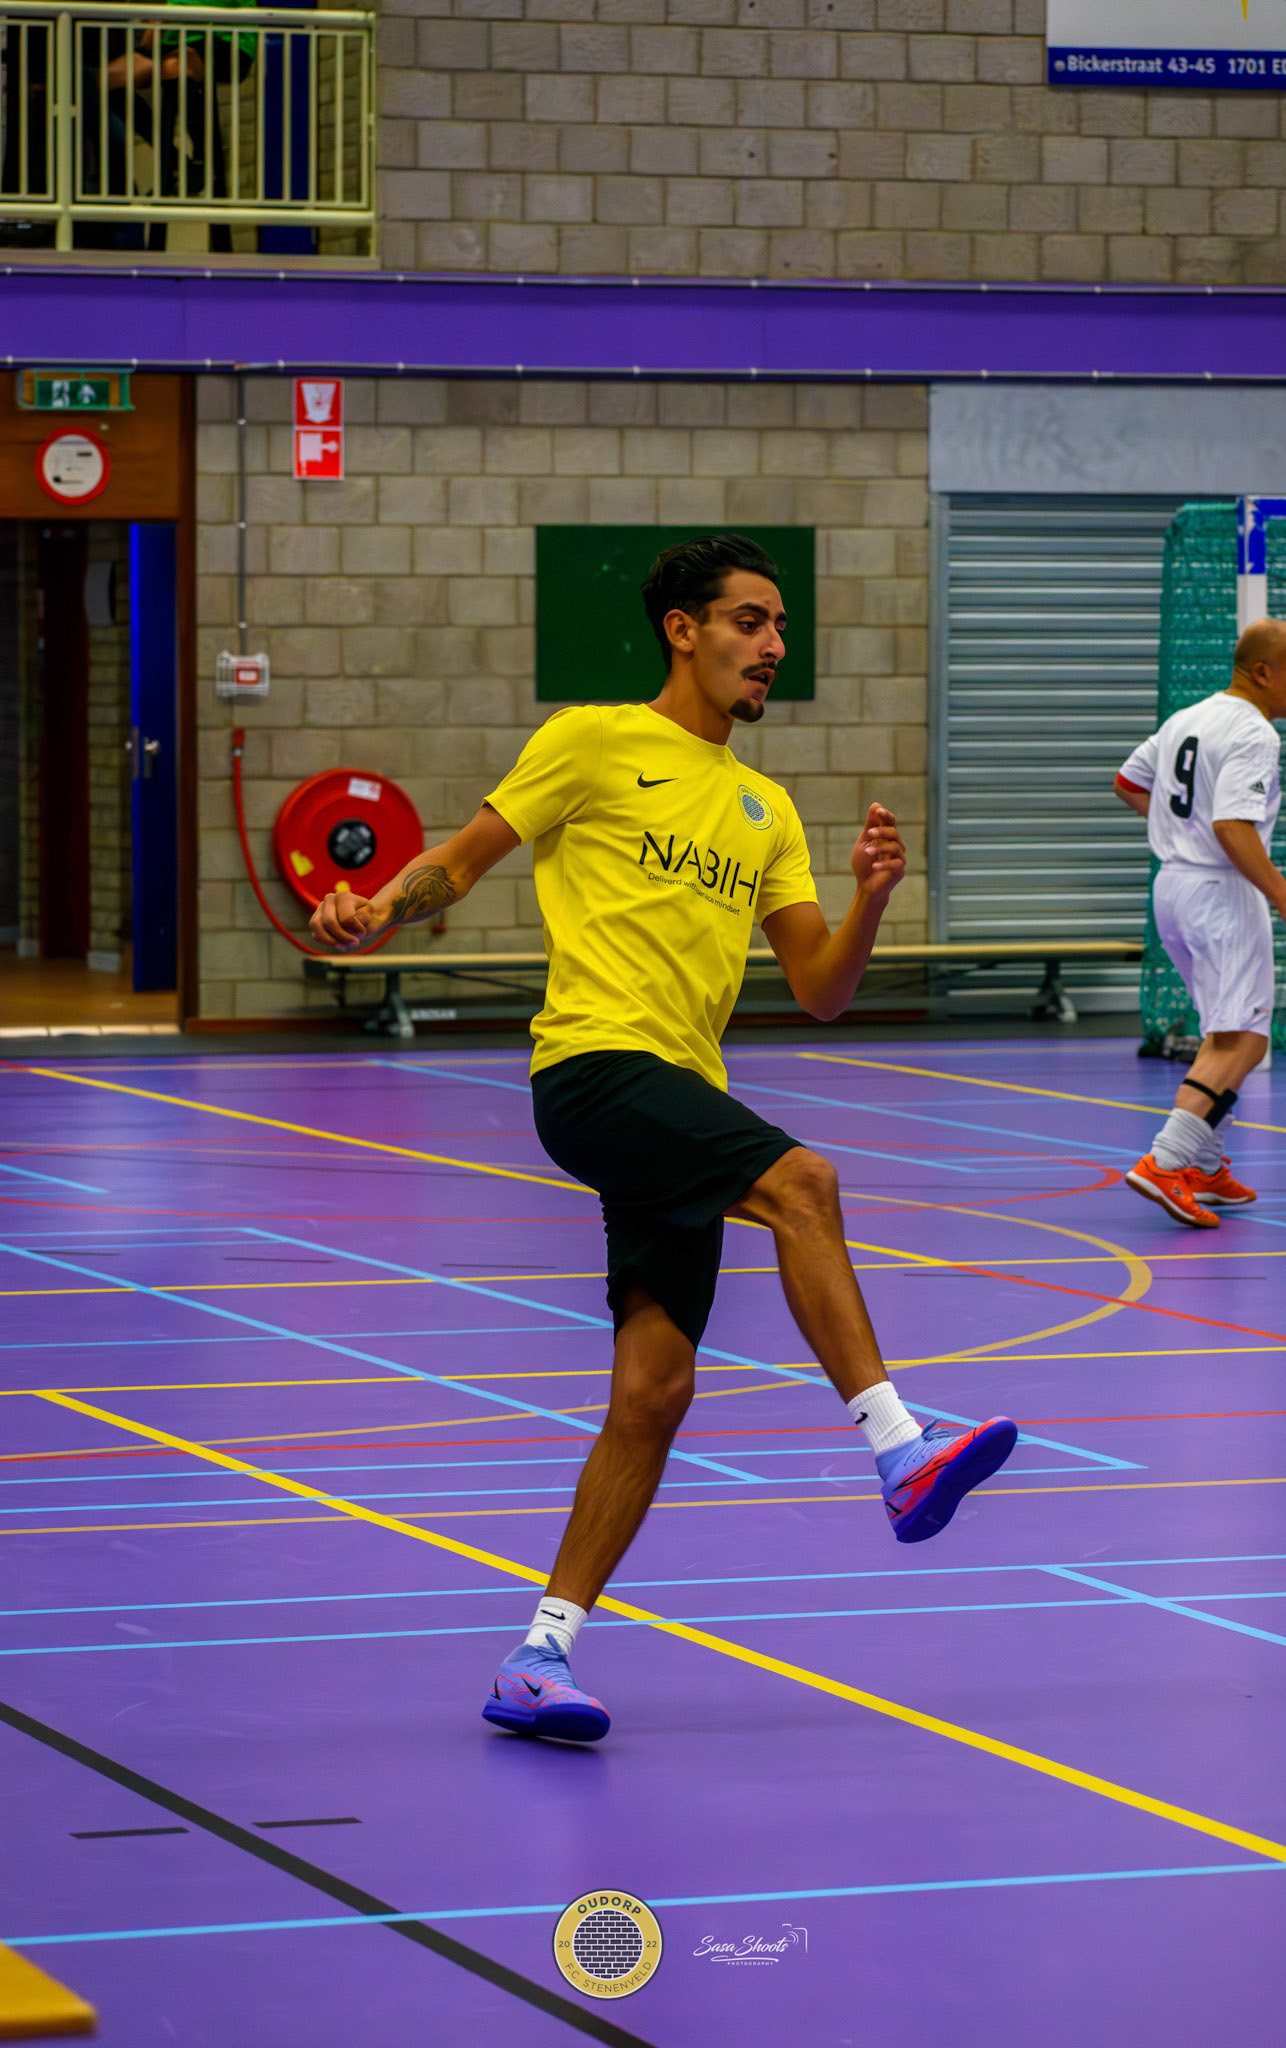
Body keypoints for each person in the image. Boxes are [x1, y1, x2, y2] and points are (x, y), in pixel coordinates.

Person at [311, 532, 1018, 1742]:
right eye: (750, 620)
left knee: (654, 1389)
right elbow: (463, 860)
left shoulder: (766, 808)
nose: (774, 644)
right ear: (683, 630)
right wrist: (376, 905)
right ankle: (900, 1450)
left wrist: (871, 899)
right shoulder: (591, 741)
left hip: (678, 1088)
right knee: (803, 1181)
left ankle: (538, 1655)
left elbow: (822, 989)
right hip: (593, 1068)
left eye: (780, 625)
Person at [1114, 617, 1286, 1229]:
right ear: (1262, 671)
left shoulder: (1188, 717)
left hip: (1174, 888)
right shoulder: (1255, 731)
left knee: (1228, 1030)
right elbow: (1231, 826)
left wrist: (1176, 832)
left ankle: (1205, 1166)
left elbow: (1128, 783)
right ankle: (1166, 1162)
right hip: (1220, 892)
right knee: (1242, 1038)